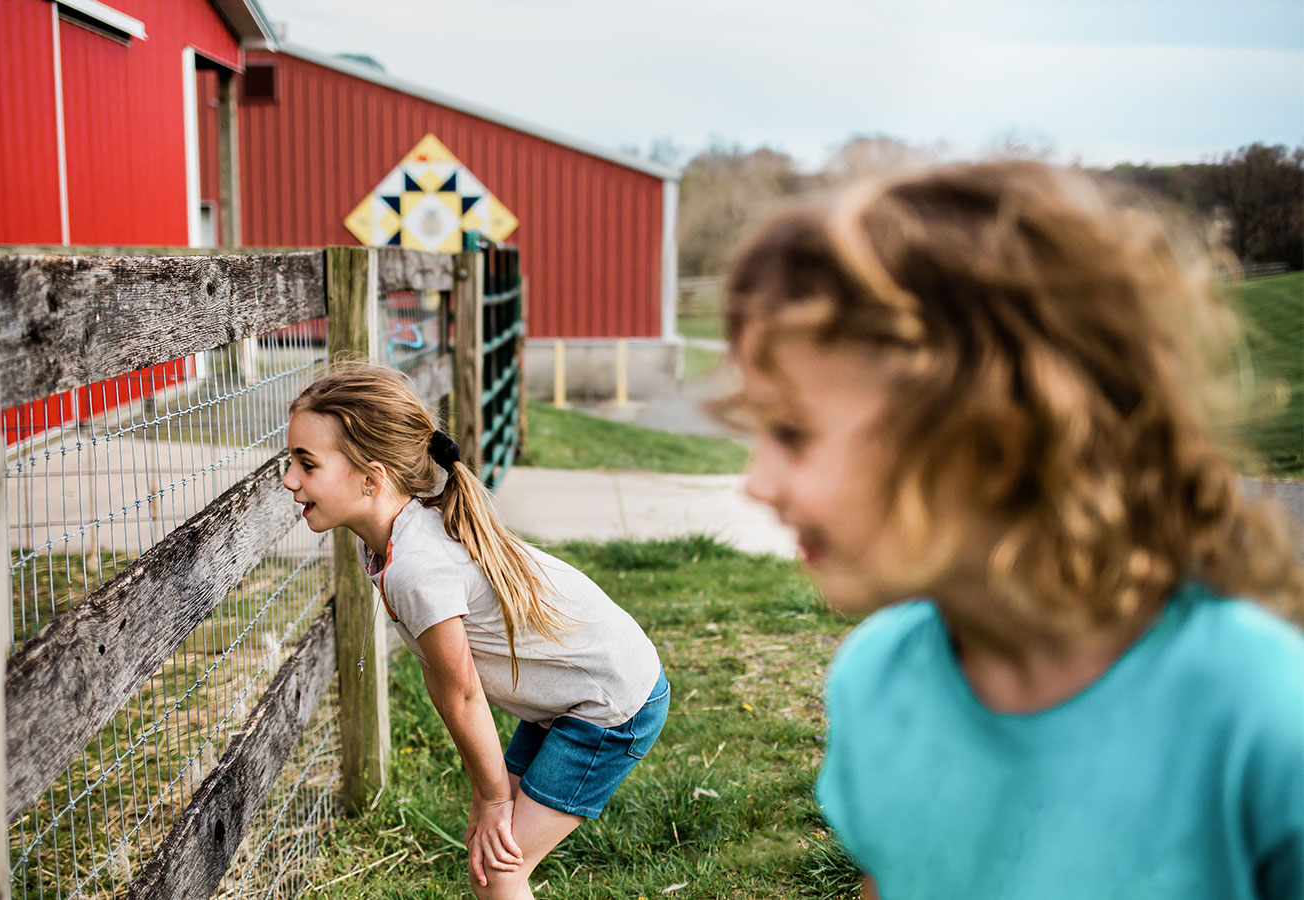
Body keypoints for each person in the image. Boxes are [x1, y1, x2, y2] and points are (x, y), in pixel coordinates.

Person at [721, 161, 1304, 899]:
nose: (756, 481)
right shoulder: (876, 682)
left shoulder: (1262, 713)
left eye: (793, 433)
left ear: (993, 447)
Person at [281, 364, 668, 899]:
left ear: (371, 479)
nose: (289, 478)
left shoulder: (417, 566)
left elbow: (462, 692)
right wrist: (486, 794)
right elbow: (445, 681)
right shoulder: (389, 540)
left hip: (611, 702)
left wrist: (493, 799)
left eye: (307, 463)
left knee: (498, 870)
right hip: (575, 690)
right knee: (488, 856)